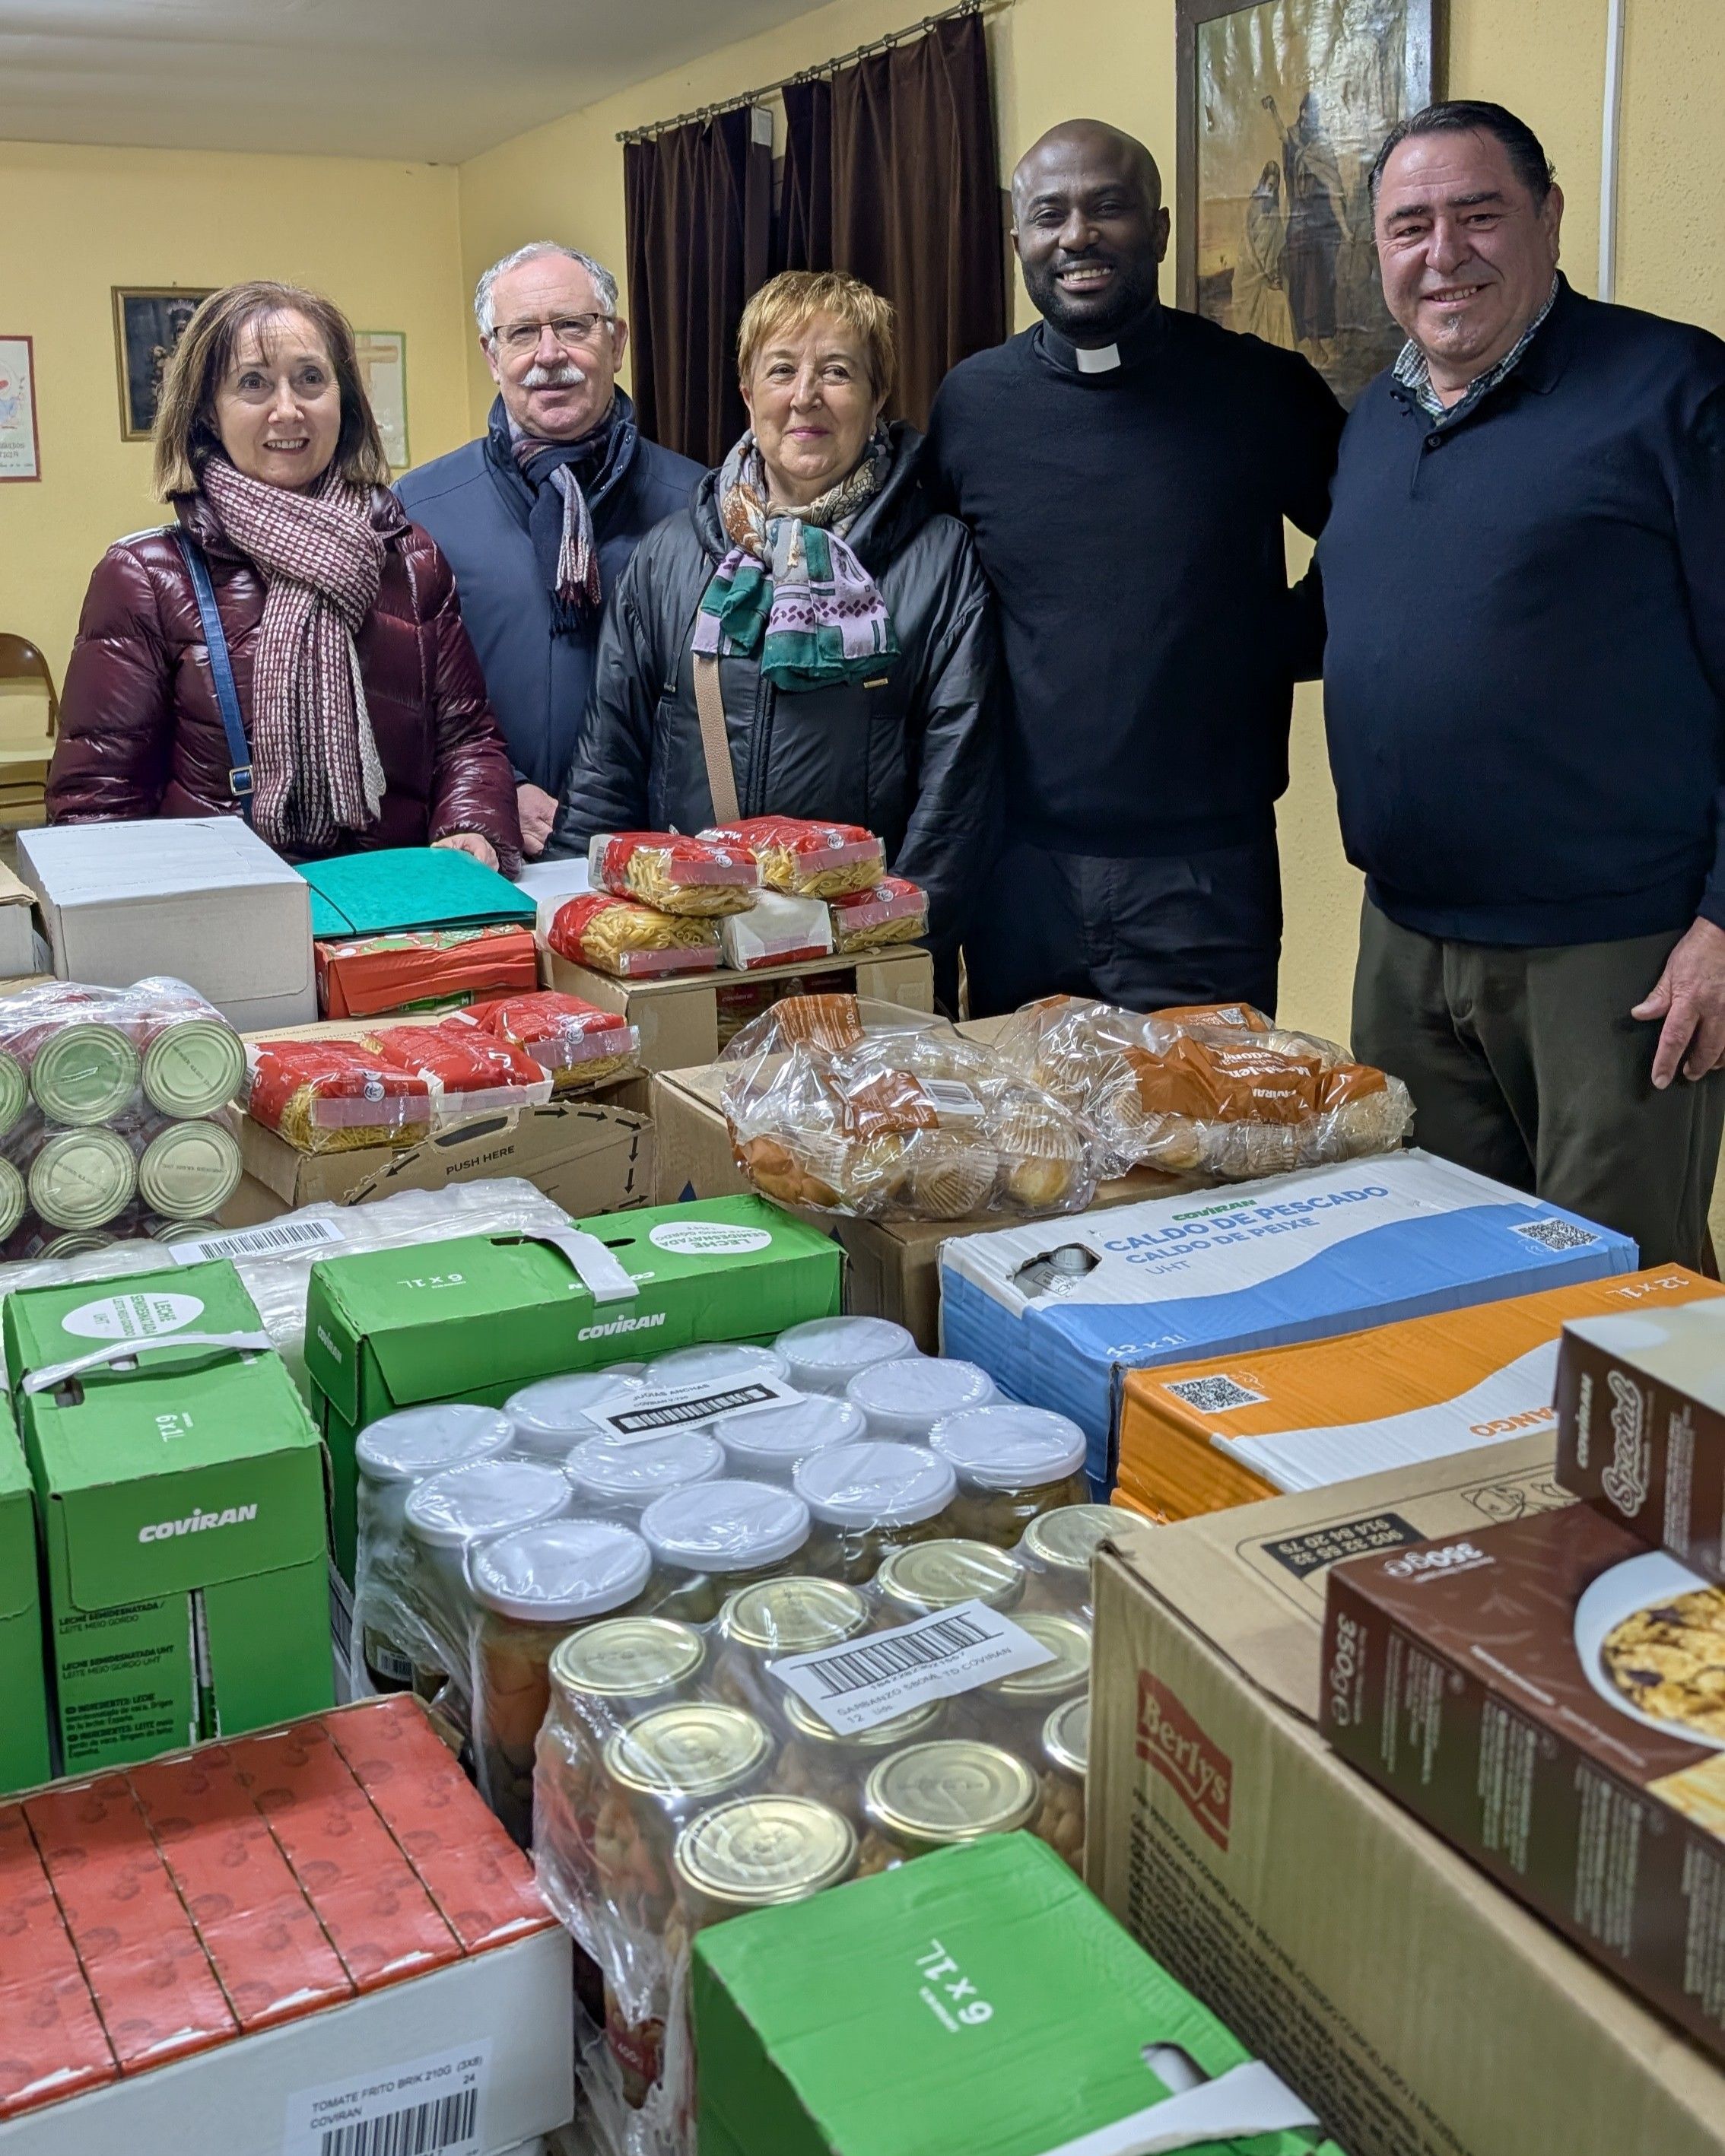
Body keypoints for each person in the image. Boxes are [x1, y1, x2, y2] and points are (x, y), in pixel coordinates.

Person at [1319, 100, 1725, 1269]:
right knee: (1439, 1280)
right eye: (1410, 227)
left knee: (1620, 1303)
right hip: (1405, 940)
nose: (1444, 254)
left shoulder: (1673, 391)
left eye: (1479, 214)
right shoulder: (1379, 420)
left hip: (1613, 956)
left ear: (1547, 215)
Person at [924, 119, 1345, 1018]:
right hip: (1013, 874)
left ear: (1157, 229)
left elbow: (1377, 545)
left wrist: (1270, 643)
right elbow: (926, 600)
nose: (1077, 236)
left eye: (1108, 208)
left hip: (1202, 879)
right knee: (1024, 1147)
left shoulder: (1258, 388)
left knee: (1212, 1147)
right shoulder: (971, 405)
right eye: (1050, 216)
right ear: (1018, 245)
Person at [551, 269, 996, 996]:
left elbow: (958, 794)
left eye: (839, 372)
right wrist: (575, 937)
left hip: (863, 975)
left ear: (879, 396)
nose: (806, 396)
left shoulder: (939, 559)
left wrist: (895, 949)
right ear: (748, 391)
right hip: (693, 971)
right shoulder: (668, 558)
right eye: (782, 369)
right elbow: (609, 764)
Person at [52, 281, 520, 870]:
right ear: (205, 411)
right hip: (223, 923)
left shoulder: (410, 559)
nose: (287, 409)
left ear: (343, 399)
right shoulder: (146, 577)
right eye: (253, 383)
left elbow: (468, 740)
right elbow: (95, 808)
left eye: (310, 379)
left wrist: (470, 827)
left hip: (392, 918)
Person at [397, 242, 701, 857]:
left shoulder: (698, 505)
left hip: (660, 857)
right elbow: (396, 698)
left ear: (616, 342)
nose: (549, 354)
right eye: (522, 333)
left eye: (571, 326)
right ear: (492, 353)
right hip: (484, 850)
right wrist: (494, 790)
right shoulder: (420, 508)